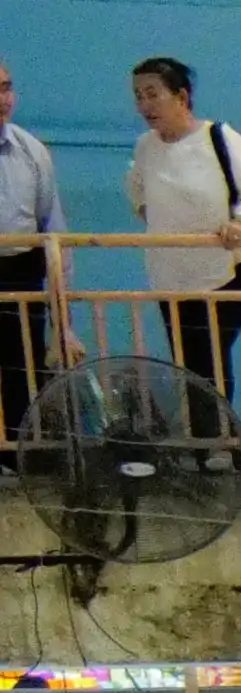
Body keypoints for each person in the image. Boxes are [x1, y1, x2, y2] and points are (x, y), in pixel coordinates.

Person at [119, 65, 241, 426]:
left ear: (182, 96)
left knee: (209, 358)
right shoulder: (145, 147)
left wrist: (240, 222)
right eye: (138, 96)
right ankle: (211, 448)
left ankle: (220, 444)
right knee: (190, 363)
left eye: (153, 94)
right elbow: (137, 191)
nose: (144, 104)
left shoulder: (221, 137)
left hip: (227, 270)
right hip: (171, 275)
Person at [0, 77, 62, 459]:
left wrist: (63, 315)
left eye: (5, 87)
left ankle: (18, 454)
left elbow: (52, 226)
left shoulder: (31, 150)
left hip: (21, 268)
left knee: (23, 365)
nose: (1, 98)